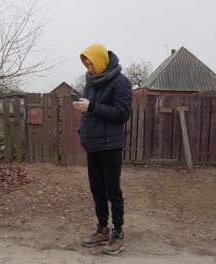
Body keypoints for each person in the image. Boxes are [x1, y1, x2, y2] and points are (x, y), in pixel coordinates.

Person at [73, 43, 132, 255]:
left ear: (101, 60)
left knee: (112, 191)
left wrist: (92, 106)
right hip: (93, 144)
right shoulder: (90, 82)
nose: (89, 67)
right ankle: (102, 229)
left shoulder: (121, 82)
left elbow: (122, 114)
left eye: (91, 63)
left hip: (110, 145)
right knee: (97, 190)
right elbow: (91, 111)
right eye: (86, 64)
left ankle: (118, 232)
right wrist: (84, 106)